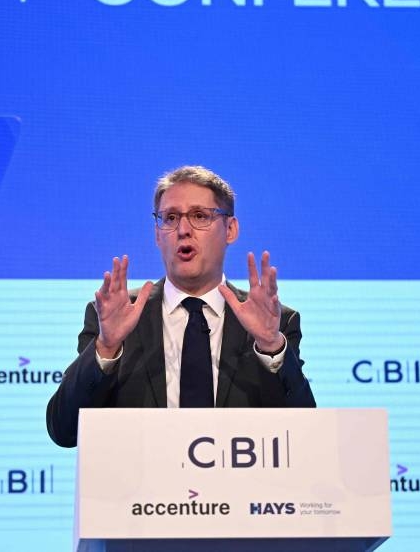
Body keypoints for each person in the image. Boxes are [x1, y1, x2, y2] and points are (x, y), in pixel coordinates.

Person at [46, 165, 315, 447]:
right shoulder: (116, 319)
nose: (183, 230)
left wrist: (271, 346)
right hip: (145, 489)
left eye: (200, 216)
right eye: (170, 218)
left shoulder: (276, 323)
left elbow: (304, 435)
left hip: (240, 487)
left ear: (231, 229)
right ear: (157, 233)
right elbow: (65, 431)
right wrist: (106, 349)